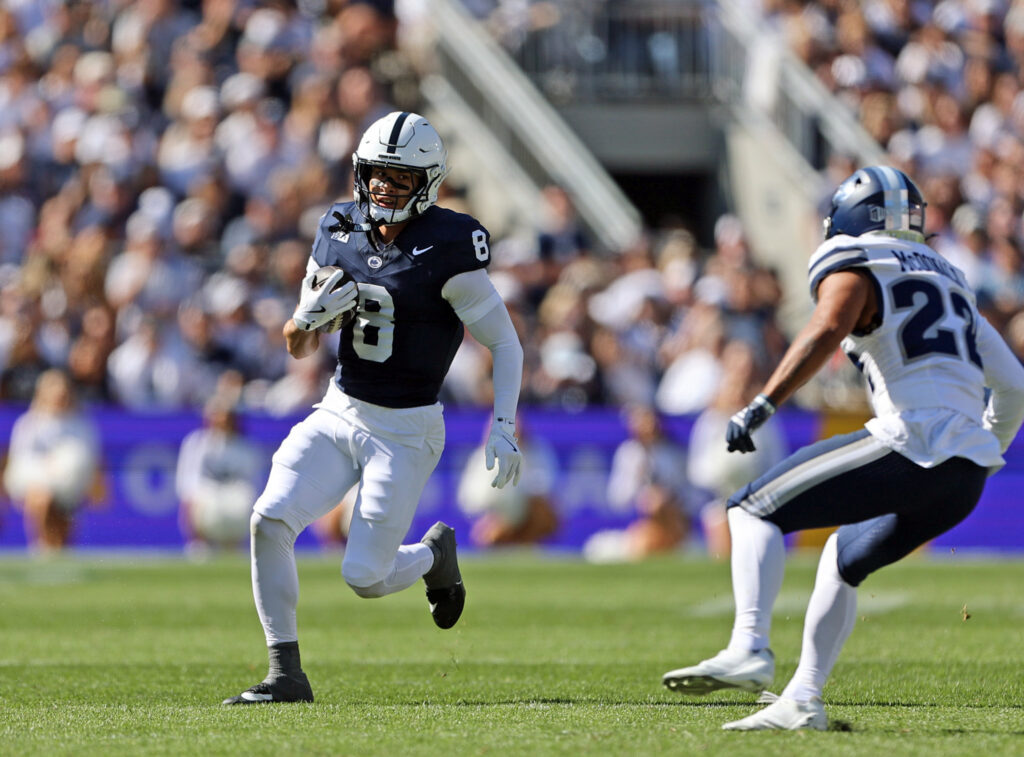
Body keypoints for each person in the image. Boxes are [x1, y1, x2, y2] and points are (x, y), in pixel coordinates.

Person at [660, 166, 1024, 730]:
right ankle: (803, 700)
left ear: (853, 216)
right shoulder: (951, 277)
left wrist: (763, 402)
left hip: (914, 439)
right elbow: (1015, 386)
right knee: (839, 559)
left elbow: (830, 323)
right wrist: (979, 452)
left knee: (751, 509)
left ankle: (748, 647)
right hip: (965, 471)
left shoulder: (857, 256)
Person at [223, 112, 524, 705]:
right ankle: (285, 674)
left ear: (428, 182)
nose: (384, 186)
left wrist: (505, 426)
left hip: (405, 430)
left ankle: (433, 555)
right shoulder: (338, 227)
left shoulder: (449, 245)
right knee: (268, 521)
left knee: (363, 577)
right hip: (340, 409)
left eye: (400, 176)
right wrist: (303, 321)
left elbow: (505, 344)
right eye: (376, 173)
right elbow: (298, 343)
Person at [3, 369, 100, 553]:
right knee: (42, 499)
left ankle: (56, 551)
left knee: (62, 534)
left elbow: (88, 458)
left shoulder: (82, 424)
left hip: (69, 487)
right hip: (35, 483)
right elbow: (20, 459)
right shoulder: (28, 424)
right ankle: (41, 546)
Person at [175, 395, 264, 553]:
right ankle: (198, 545)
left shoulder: (246, 448)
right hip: (206, 495)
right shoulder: (196, 443)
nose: (221, 421)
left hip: (233, 497)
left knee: (242, 502)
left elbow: (252, 483)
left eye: (226, 416)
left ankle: (233, 546)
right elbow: (187, 482)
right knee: (195, 500)